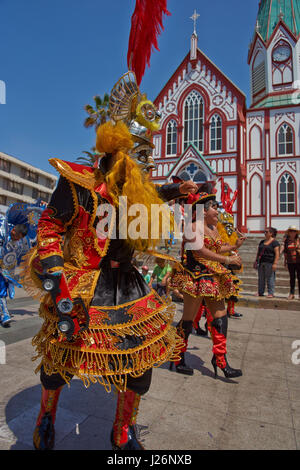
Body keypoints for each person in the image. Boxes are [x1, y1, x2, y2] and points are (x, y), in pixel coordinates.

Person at [22, 71, 198, 451]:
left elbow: (148, 195)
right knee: (61, 355)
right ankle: (47, 416)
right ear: (119, 153)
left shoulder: (138, 190)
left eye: (148, 157)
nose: (147, 165)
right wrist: (55, 275)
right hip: (84, 281)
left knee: (140, 360)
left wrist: (177, 190)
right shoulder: (78, 183)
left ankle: (122, 430)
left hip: (129, 284)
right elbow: (50, 226)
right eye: (140, 156)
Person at [169, 191, 243, 378]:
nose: (218, 211)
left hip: (212, 276)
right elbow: (201, 251)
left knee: (220, 317)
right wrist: (227, 261)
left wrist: (234, 248)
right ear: (203, 210)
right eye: (215, 207)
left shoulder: (214, 229)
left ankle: (220, 359)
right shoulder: (192, 227)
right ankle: (177, 356)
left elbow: (217, 248)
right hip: (196, 277)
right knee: (188, 319)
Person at [0, 224, 28, 326]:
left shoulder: (18, 242)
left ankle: (3, 313)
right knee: (1, 290)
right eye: (17, 237)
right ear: (13, 231)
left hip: (5, 268)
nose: (17, 239)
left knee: (2, 290)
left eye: (20, 238)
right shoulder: (2, 230)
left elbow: (14, 256)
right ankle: (5, 314)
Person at [255, 227, 280, 298]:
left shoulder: (275, 242)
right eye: (264, 232)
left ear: (271, 233)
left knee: (270, 278)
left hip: (270, 262)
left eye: (266, 232)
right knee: (261, 278)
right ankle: (260, 292)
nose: (265, 233)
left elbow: (277, 253)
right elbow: (258, 252)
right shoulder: (262, 242)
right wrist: (256, 260)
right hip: (261, 262)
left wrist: (275, 263)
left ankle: (271, 293)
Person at [281, 226, 300, 300]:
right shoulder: (287, 241)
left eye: (294, 231)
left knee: (299, 278)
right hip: (290, 261)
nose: (292, 233)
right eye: (291, 231)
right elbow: (285, 252)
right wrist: (285, 261)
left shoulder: (299, 240)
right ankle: (292, 293)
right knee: (292, 278)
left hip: (299, 261)